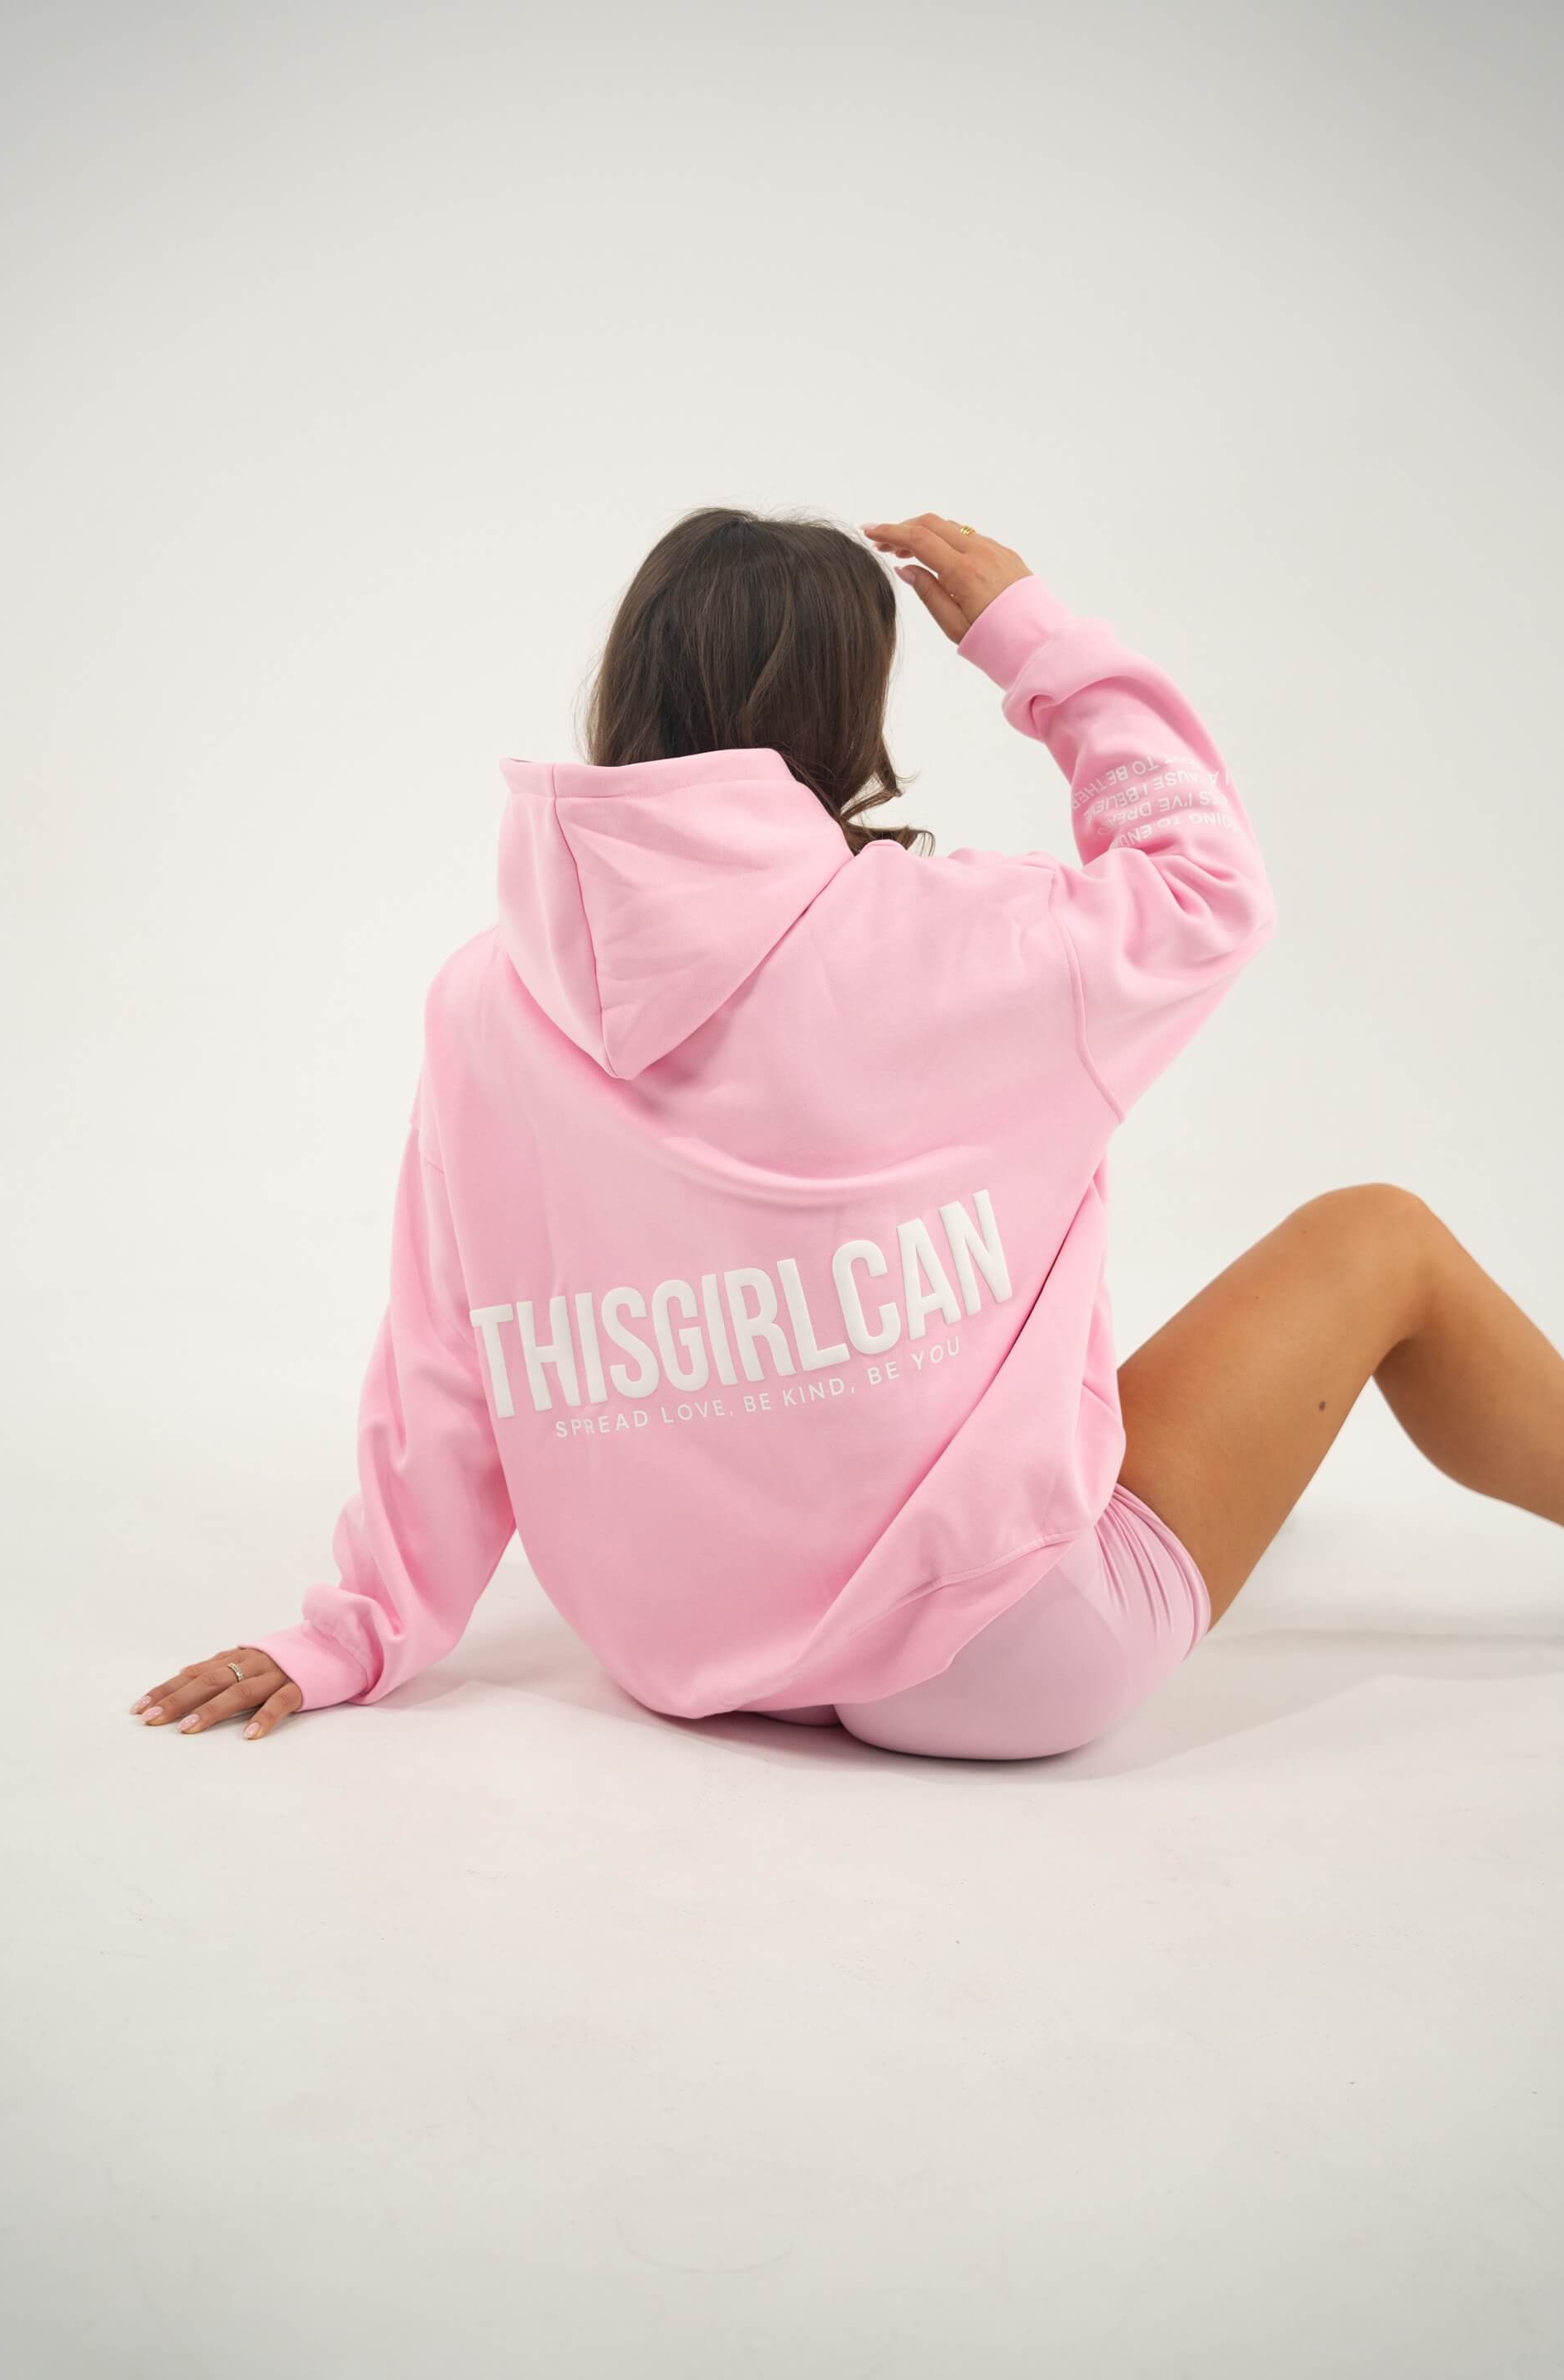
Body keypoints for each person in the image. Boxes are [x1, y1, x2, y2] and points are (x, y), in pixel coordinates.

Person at [128, 507, 1564, 1759]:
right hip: (991, 1662)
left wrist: (356, 1628)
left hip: (680, 1651)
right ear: (845, 711)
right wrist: (1036, 640)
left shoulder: (482, 1000)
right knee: (1382, 1239)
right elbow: (1212, 889)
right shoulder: (955, 936)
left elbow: (447, 1358)